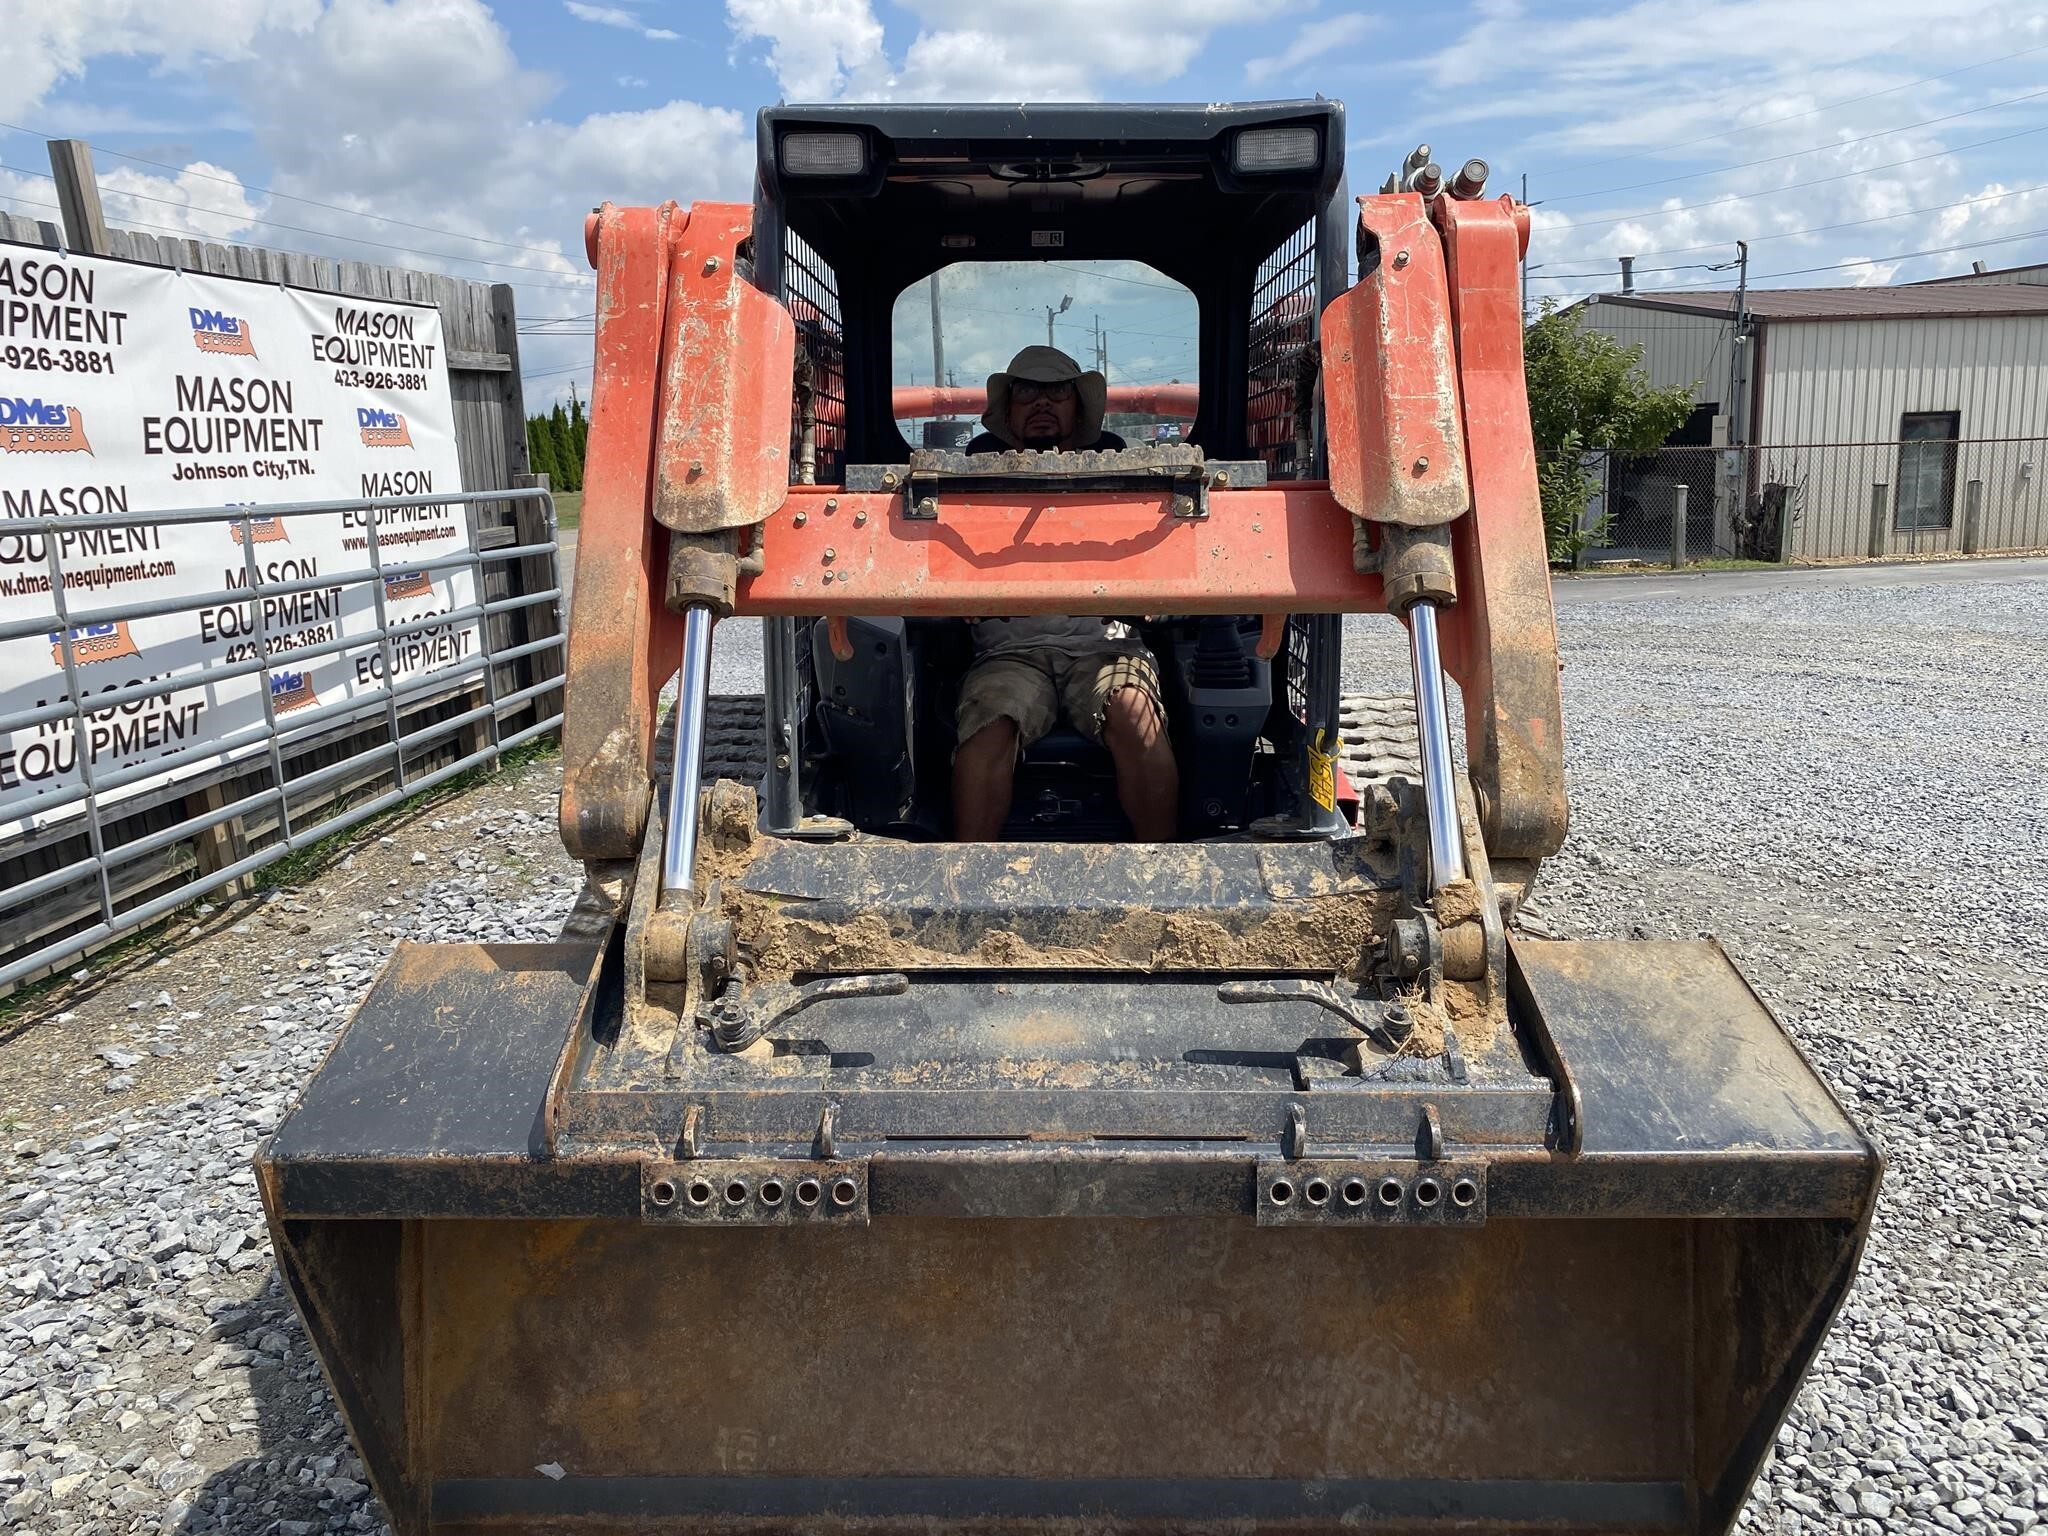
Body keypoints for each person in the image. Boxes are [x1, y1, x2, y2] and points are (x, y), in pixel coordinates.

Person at [951, 347, 1177, 840]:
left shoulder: (1124, 479)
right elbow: (942, 565)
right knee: (989, 726)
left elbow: (1159, 560)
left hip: (1106, 647)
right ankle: (967, 872)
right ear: (1008, 409)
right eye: (1027, 392)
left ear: (1078, 406)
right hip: (1010, 653)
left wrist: (1150, 596)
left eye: (1056, 392)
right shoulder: (967, 485)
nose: (1042, 403)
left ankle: (1161, 865)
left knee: (1135, 716)